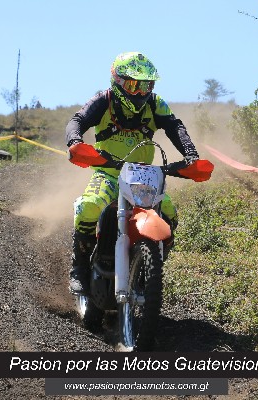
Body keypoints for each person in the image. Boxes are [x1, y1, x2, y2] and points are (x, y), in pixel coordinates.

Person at [65, 51, 200, 295]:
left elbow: (175, 127)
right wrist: (75, 141)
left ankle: (149, 267)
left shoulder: (156, 104)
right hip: (108, 173)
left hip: (143, 177)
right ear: (117, 82)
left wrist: (191, 155)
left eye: (146, 85)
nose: (140, 93)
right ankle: (79, 268)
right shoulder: (103, 100)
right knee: (89, 206)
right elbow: (78, 120)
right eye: (133, 85)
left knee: (169, 214)